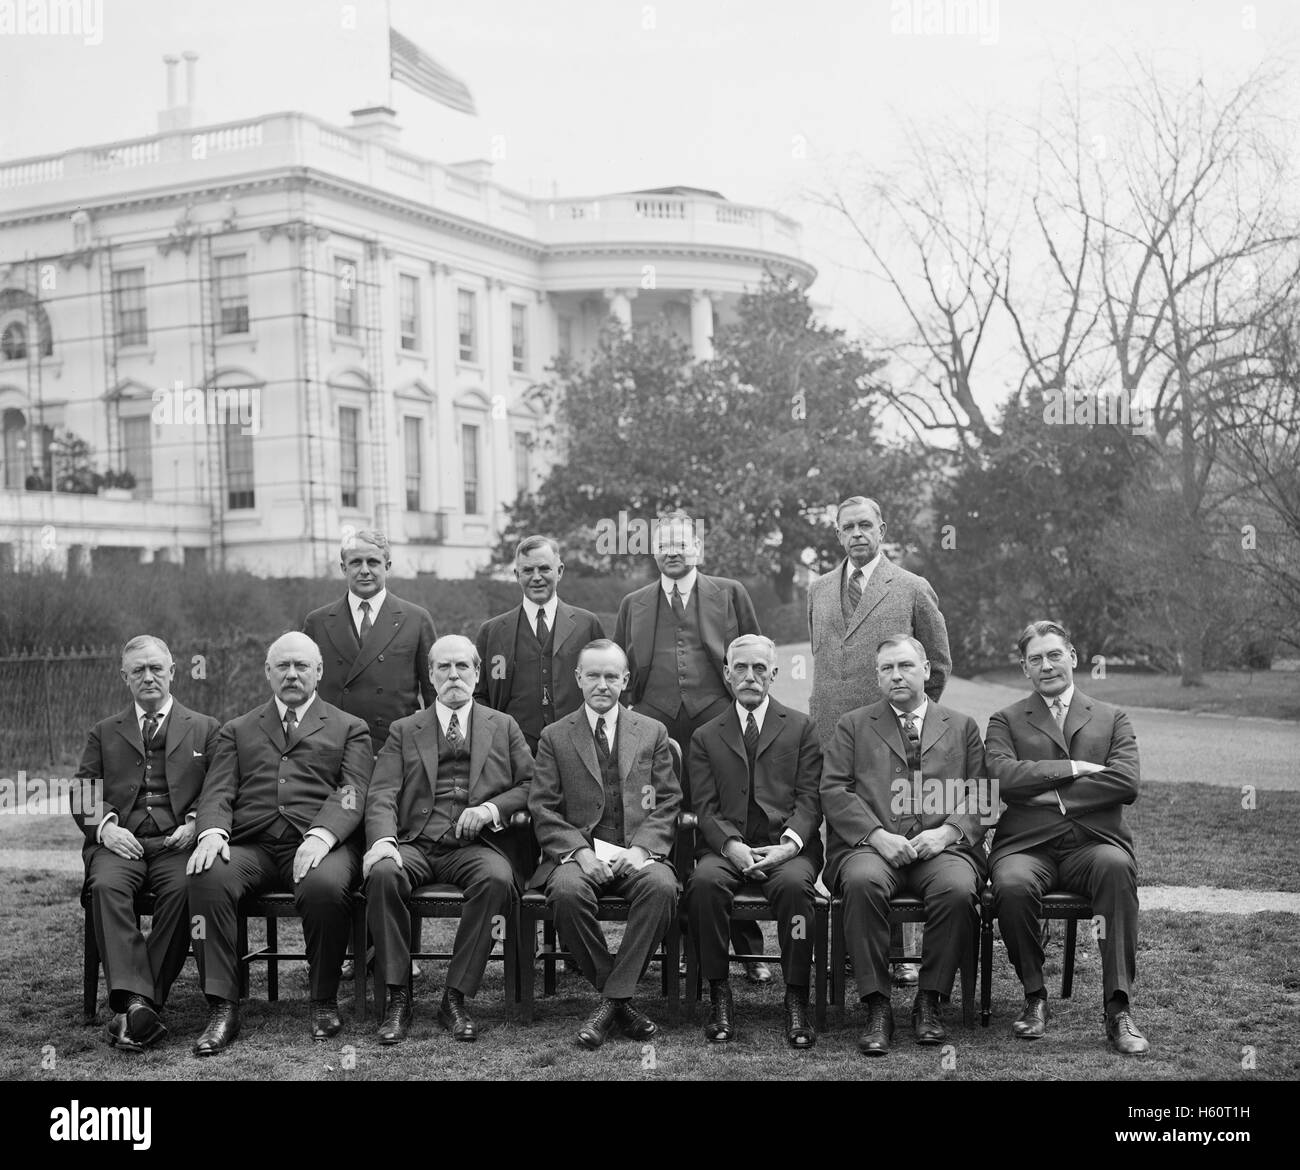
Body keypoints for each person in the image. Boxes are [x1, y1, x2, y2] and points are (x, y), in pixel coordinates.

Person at [186, 632, 372, 1056]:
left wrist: (323, 834)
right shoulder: (237, 729)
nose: (292, 674)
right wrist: (212, 832)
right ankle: (222, 1005)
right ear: (267, 672)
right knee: (206, 875)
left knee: (324, 887)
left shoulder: (349, 728)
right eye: (283, 666)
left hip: (319, 842)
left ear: (319, 672)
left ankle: (323, 998)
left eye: (302, 666)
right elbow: (217, 791)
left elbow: (352, 790)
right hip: (252, 845)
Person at [613, 511, 767, 978]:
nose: (673, 551)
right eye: (664, 544)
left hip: (718, 725)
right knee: (660, 827)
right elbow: (621, 674)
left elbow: (755, 654)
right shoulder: (633, 603)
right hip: (654, 729)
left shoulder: (731, 593)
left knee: (724, 822)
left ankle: (747, 946)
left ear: (698, 548)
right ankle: (667, 943)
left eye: (682, 543)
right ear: (652, 550)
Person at [985, 620, 1149, 1055]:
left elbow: (1125, 784)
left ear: (1073, 658)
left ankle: (1118, 1010)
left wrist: (1048, 797)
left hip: (1095, 844)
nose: (1047, 666)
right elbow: (1001, 778)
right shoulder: (1005, 719)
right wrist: (1075, 770)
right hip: (1026, 846)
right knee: (1012, 885)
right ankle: (1034, 997)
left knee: (1116, 869)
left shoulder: (1112, 718)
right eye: (1035, 659)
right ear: (1024, 668)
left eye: (1054, 655)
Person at [807, 495, 953, 984]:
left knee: (897, 829)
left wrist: (911, 723)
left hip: (894, 736)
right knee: (845, 833)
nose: (857, 534)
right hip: (832, 731)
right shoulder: (820, 589)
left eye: (865, 525)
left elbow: (938, 662)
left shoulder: (911, 588)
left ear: (882, 529)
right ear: (838, 534)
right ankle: (853, 948)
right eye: (847, 527)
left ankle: (899, 952)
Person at [820, 635, 988, 1056]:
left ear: (927, 670)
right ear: (877, 678)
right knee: (860, 884)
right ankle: (877, 1006)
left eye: (906, 666)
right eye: (886, 669)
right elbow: (835, 790)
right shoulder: (853, 725)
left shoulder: (962, 726)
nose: (896, 675)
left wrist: (947, 833)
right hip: (870, 846)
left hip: (942, 847)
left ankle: (929, 1001)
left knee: (957, 889)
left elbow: (983, 794)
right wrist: (877, 835)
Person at [363, 635, 533, 1044]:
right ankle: (398, 995)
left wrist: (492, 809)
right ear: (431, 675)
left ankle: (454, 997)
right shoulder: (406, 729)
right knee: (384, 874)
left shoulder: (503, 725)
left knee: (496, 880)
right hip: (415, 842)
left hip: (476, 847)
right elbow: (381, 792)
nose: (453, 675)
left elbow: (532, 783)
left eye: (462, 667)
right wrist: (384, 841)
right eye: (444, 667)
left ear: (477, 673)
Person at [528, 639, 682, 1049]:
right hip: (578, 854)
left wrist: (643, 849)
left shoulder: (652, 732)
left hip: (636, 852)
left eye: (611, 676)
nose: (602, 684)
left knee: (663, 888)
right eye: (593, 675)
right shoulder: (554, 736)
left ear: (625, 681)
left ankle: (608, 1005)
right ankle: (620, 1000)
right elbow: (543, 806)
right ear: (578, 678)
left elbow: (667, 801)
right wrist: (579, 852)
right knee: (564, 892)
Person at [73, 635, 220, 1052]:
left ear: (173, 672)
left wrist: (195, 822)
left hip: (178, 844)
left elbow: (221, 787)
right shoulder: (104, 731)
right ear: (125, 677)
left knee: (187, 888)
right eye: (138, 670)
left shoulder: (206, 728)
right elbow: (83, 791)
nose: (149, 677)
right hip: (122, 842)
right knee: (105, 887)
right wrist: (106, 828)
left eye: (157, 668)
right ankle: (141, 1002)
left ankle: (137, 1003)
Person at [686, 635, 824, 1048]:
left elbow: (810, 799)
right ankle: (719, 994)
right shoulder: (706, 735)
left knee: (796, 890)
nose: (750, 676)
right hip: (726, 848)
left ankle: (796, 995)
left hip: (786, 849)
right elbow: (704, 808)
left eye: (759, 668)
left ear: (774, 675)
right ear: (727, 674)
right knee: (704, 885)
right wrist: (731, 846)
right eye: (741, 668)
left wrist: (788, 844)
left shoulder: (801, 727)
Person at [304, 529, 437, 758]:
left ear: (387, 566)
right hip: (334, 750)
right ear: (343, 568)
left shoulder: (416, 619)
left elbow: (434, 691)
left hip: (397, 750)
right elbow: (303, 692)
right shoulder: (317, 622)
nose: (364, 570)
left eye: (373, 562)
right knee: (347, 797)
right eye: (356, 562)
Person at [474, 535, 604, 756]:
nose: (536, 578)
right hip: (514, 752)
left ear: (560, 571)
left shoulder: (587, 625)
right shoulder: (492, 631)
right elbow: (480, 695)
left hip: (579, 747)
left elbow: (606, 682)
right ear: (516, 575)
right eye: (527, 571)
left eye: (544, 569)